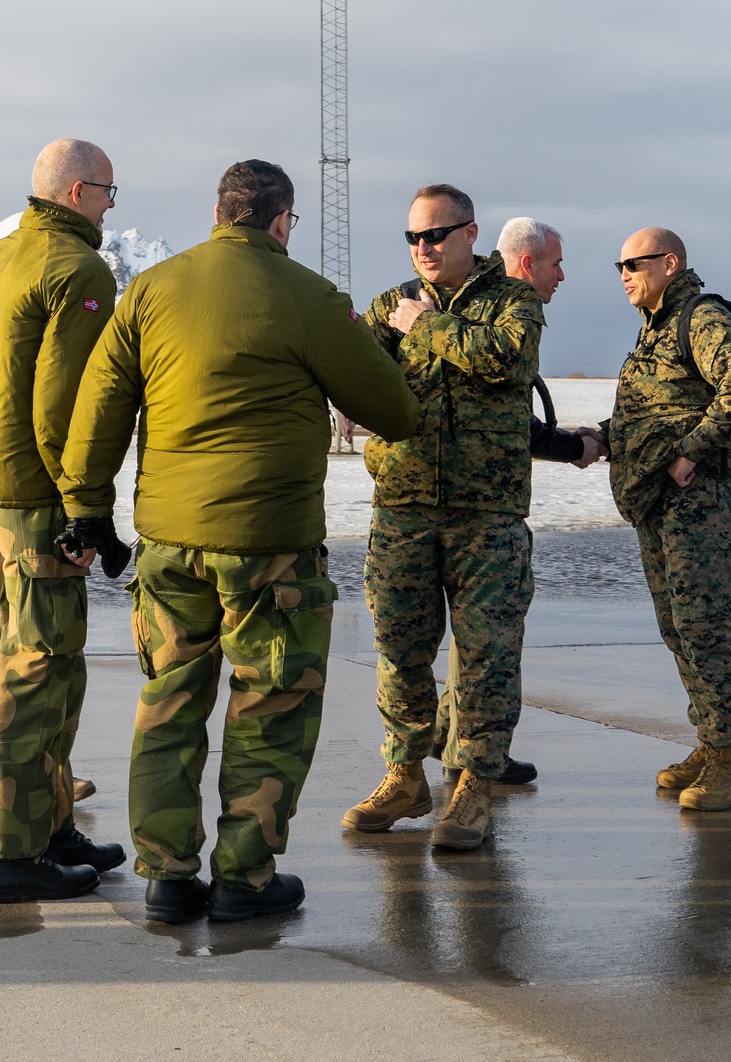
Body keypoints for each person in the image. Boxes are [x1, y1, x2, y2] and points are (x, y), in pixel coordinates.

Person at [58, 159, 419, 924]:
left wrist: (88, 510)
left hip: (167, 544)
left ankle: (166, 877)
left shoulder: (152, 290)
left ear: (220, 212)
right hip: (272, 547)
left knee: (168, 704)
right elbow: (394, 410)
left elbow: (99, 407)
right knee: (271, 705)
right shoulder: (310, 297)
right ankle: (244, 879)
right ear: (282, 220)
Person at [342, 184, 544, 852]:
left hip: (486, 515)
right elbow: (347, 360)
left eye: (435, 234)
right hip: (402, 507)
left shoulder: (512, 300)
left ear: (470, 234)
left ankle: (473, 788)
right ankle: (404, 776)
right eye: (413, 238)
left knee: (486, 655)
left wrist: (422, 327)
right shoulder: (388, 304)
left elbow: (503, 361)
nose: (423, 248)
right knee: (400, 649)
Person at [0, 138, 125, 903]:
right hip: (39, 492)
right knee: (37, 669)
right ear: (75, 190)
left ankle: (51, 825)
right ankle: (13, 855)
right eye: (107, 193)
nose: (109, 207)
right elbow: (71, 402)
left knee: (54, 661)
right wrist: (86, 506)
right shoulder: (79, 269)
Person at [432, 216, 606, 780]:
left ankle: (448, 739)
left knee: (475, 638)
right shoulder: (486, 313)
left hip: (470, 500)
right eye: (556, 263)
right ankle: (473, 757)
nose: (563, 275)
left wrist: (568, 443)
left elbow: (506, 420)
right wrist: (568, 445)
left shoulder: (488, 309)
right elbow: (496, 413)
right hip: (469, 508)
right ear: (528, 263)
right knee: (487, 640)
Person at [604, 228, 731, 811]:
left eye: (633, 262)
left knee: (702, 627)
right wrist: (603, 439)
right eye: (617, 264)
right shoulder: (655, 329)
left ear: (669, 263)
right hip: (659, 503)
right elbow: (656, 411)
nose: (623, 272)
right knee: (677, 628)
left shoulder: (702, 319)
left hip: (699, 501)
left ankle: (728, 761)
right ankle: (709, 740)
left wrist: (691, 451)